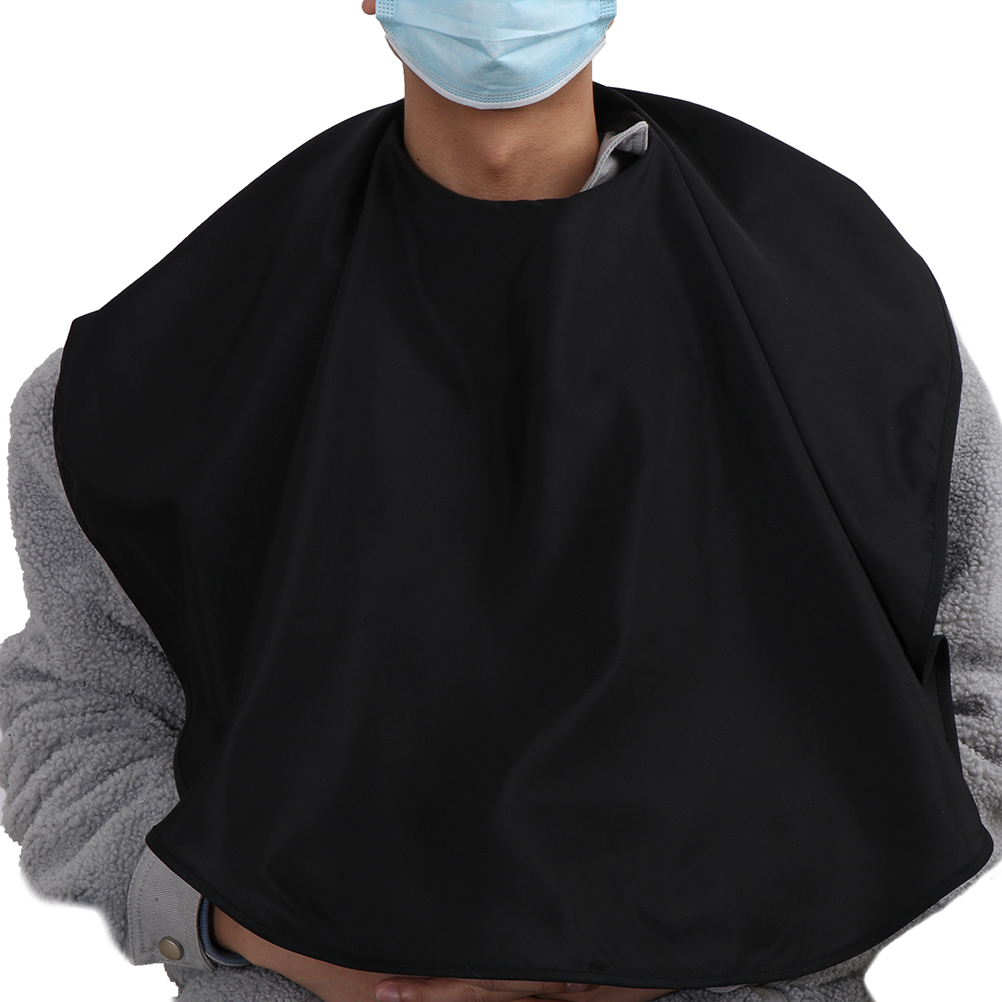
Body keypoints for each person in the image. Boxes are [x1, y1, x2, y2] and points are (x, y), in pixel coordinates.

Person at [2, 4, 1001, 1002]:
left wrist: (732, 952)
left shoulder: (842, 318)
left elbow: (983, 679)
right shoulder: (175, 359)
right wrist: (253, 935)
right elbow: (73, 709)